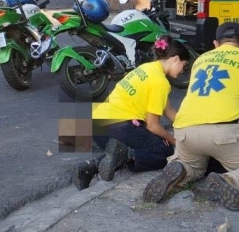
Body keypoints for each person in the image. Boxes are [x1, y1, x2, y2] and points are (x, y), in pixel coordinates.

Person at [141, 22, 239, 212]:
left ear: (215, 43)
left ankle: (180, 171)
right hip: (223, 132)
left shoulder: (201, 59)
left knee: (194, 167)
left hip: (185, 130)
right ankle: (231, 180)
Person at [74, 36, 191, 189]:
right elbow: (153, 126)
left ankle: (90, 166)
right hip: (120, 129)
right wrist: (177, 143)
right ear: (175, 59)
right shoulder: (160, 82)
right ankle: (125, 155)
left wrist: (188, 130)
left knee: (129, 148)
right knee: (166, 151)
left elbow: (168, 110)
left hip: (98, 129)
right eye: (184, 65)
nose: (183, 70)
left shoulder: (145, 68)